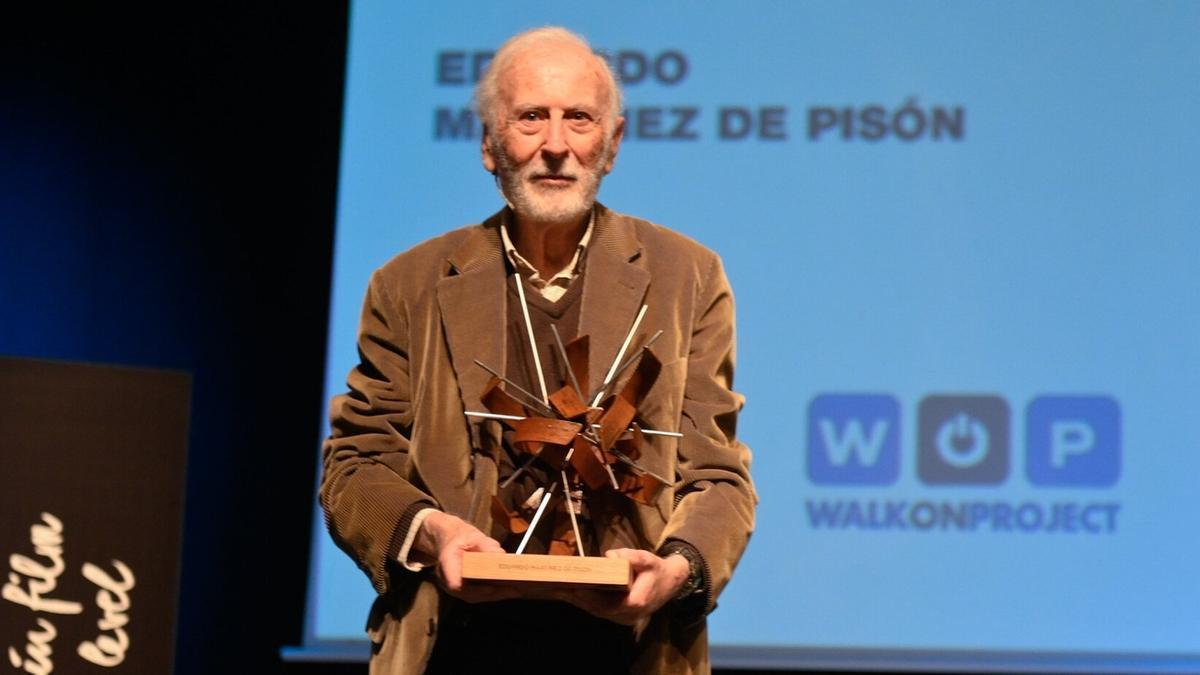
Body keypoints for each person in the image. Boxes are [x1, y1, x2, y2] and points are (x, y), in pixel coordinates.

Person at [321, 26, 756, 674]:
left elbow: (716, 476)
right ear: (489, 145)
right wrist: (433, 531)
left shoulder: (685, 277)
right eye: (531, 118)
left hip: (625, 648)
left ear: (612, 145)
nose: (555, 145)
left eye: (578, 118)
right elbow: (354, 463)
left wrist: (675, 569)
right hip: (455, 644)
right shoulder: (408, 284)